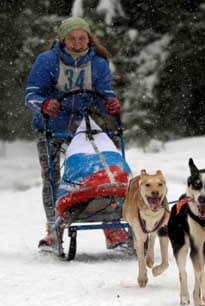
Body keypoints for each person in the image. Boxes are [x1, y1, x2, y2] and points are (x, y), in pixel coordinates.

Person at [25, 16, 128, 250]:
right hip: (50, 126)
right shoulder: (47, 61)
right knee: (51, 177)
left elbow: (105, 94)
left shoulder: (98, 63)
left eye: (82, 38)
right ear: (63, 39)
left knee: (102, 172)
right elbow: (31, 94)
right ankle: (54, 227)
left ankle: (113, 227)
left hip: (84, 127)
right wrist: (44, 104)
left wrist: (110, 104)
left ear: (89, 39)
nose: (77, 43)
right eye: (72, 38)